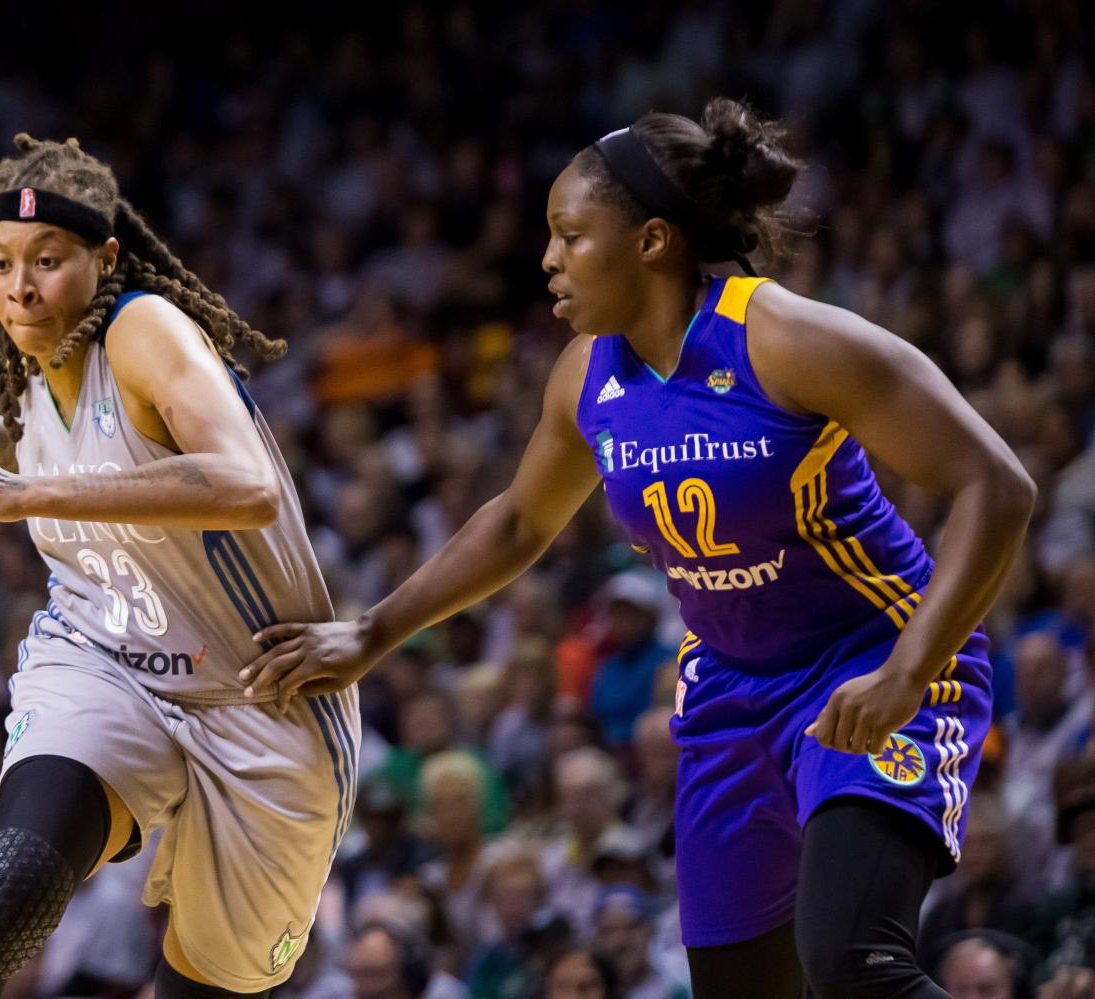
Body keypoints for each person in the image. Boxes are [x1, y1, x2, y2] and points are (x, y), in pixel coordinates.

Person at [240, 98, 1035, 998]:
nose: (546, 258)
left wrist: (907, 672)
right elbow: (519, 521)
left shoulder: (787, 337)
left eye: (568, 234)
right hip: (730, 690)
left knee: (855, 962)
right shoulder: (586, 372)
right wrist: (371, 634)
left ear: (653, 241)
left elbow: (996, 485)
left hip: (872, 661)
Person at [0, 134, 355, 999]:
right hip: (105, 659)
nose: (19, 286)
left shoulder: (143, 327)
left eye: (47, 260)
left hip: (263, 696)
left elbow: (244, 483)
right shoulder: (31, 355)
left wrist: (20, 497)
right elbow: (52, 453)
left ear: (104, 257)